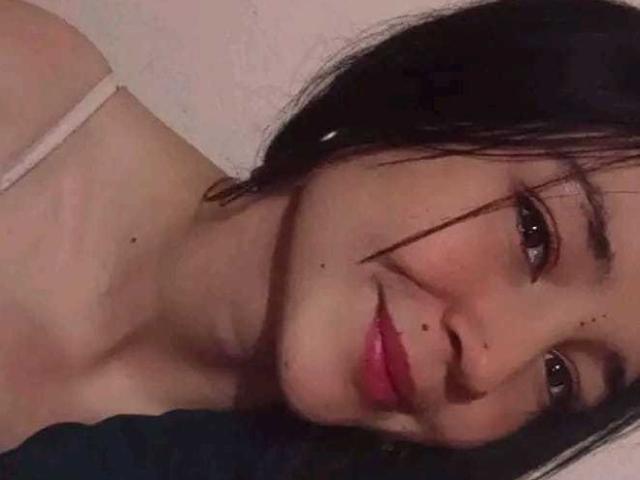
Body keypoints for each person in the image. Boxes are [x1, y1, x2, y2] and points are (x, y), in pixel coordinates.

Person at [2, 0, 640, 478]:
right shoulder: (24, 95)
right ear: (440, 98)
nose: (488, 364)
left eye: (560, 377)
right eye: (534, 234)